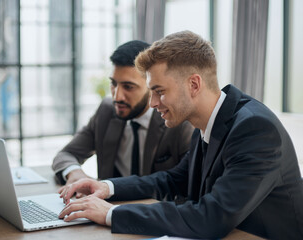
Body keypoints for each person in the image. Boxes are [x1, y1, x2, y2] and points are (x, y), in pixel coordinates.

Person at [57, 31, 303, 239]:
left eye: (159, 91)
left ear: (194, 85)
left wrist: (111, 213)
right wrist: (107, 187)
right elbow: (172, 180)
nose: (152, 103)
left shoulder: (255, 129)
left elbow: (211, 217)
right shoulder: (208, 120)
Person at [52, 40, 194, 186]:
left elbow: (189, 185)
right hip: (106, 205)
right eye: (113, 84)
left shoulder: (178, 121)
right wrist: (75, 172)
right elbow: (65, 155)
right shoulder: (106, 112)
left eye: (128, 87)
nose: (117, 96)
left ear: (151, 86)